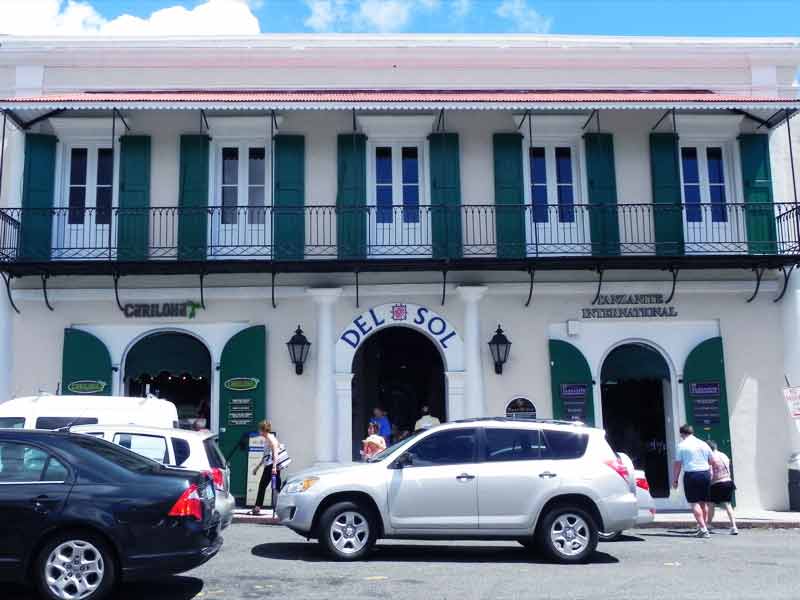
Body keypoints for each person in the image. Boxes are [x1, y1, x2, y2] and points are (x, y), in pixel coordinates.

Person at [672, 424, 713, 538]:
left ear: (682, 434)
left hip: (692, 475)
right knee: (703, 502)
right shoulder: (703, 444)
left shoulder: (682, 446)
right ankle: (702, 527)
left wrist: (675, 480)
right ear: (692, 432)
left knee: (694, 503)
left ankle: (703, 529)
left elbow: (678, 465)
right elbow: (712, 460)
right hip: (705, 474)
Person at [707, 440, 738, 535]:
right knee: (728, 505)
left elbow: (711, 473)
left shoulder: (711, 457)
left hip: (716, 483)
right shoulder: (724, 455)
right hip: (728, 482)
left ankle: (708, 525)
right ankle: (734, 526)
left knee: (711, 505)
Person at [251, 420, 281, 516]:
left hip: (271, 467)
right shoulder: (268, 438)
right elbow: (266, 456)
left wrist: (274, 467)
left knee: (266, 487)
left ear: (263, 430)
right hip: (269, 466)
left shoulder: (271, 439)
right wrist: (257, 467)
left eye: (260, 430)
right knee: (274, 487)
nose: (259, 432)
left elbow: (275, 454)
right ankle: (258, 507)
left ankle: (257, 508)